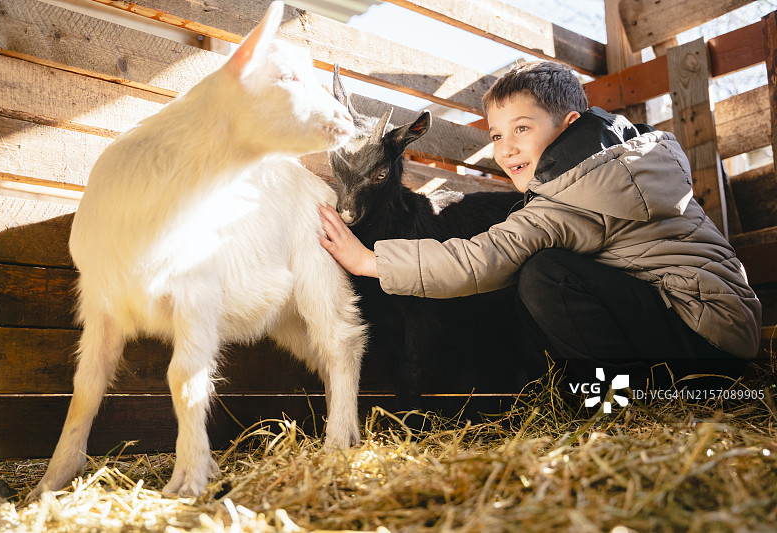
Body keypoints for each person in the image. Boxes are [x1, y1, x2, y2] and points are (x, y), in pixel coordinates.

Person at [319, 60, 762, 391]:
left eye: (522, 129)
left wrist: (366, 260)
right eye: (496, 135)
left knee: (544, 273)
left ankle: (618, 402)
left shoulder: (571, 196)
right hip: (723, 330)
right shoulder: (628, 161)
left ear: (569, 127)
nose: (506, 149)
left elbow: (478, 261)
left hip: (701, 344)